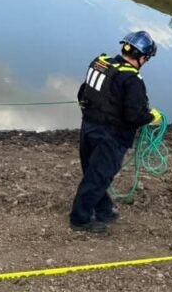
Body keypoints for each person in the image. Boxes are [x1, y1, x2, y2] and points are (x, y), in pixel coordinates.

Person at [69, 31, 161, 234]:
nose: (146, 62)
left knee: (93, 172)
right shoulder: (133, 80)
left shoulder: (101, 64)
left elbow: (82, 93)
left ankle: (104, 210)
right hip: (111, 136)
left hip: (88, 127)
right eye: (147, 58)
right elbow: (133, 116)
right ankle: (79, 219)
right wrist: (152, 117)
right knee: (98, 177)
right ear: (142, 57)